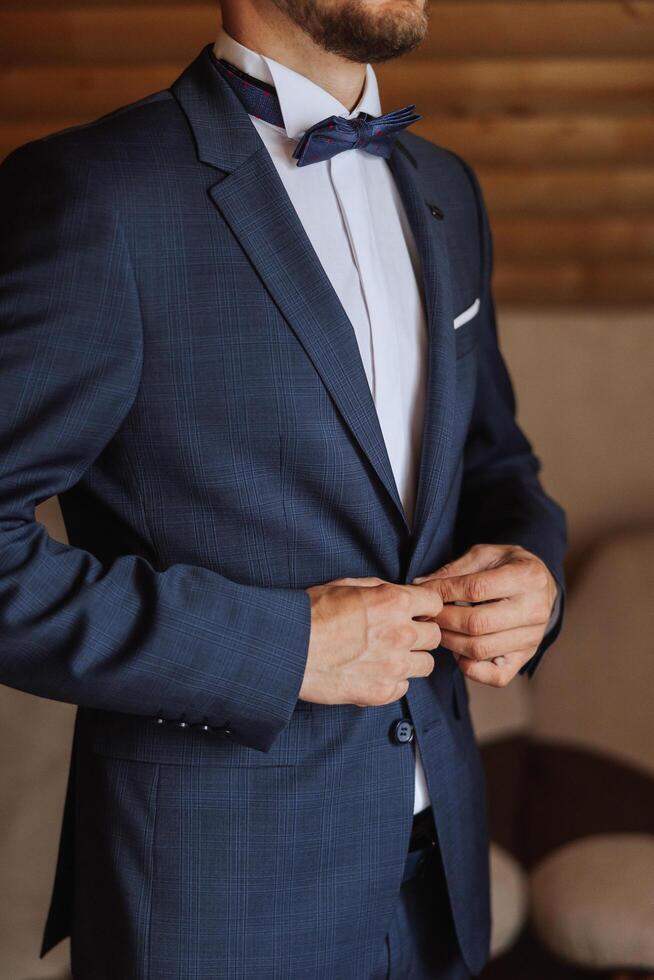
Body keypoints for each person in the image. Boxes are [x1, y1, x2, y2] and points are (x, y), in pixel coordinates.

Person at [0, 0, 567, 977]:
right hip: (214, 898)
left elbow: (497, 468)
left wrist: (536, 576)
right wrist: (282, 646)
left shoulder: (449, 188)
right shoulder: (96, 194)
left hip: (441, 889)